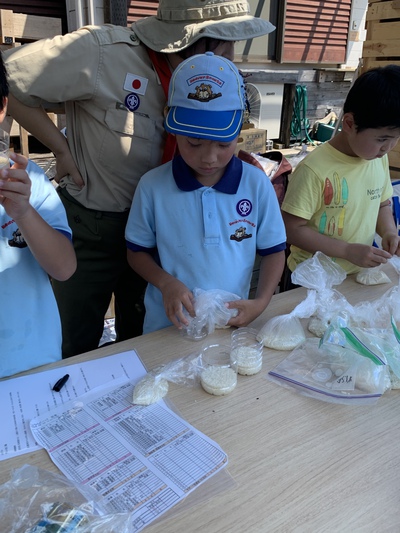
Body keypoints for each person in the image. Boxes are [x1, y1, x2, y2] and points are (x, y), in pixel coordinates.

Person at [3, 0, 275, 357]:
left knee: (142, 342)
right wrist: (60, 147)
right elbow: (9, 77)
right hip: (95, 228)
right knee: (75, 340)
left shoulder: (209, 80)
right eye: (228, 42)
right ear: (204, 40)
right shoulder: (103, 53)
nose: (231, 54)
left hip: (165, 233)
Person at [125, 52, 287, 333]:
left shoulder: (255, 184)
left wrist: (260, 302)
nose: (209, 157)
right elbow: (136, 251)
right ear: (173, 129)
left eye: (222, 144)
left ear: (239, 129)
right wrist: (165, 283)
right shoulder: (152, 186)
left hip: (230, 324)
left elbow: (274, 250)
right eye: (193, 143)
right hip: (168, 329)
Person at [281, 64, 400, 279]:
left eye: (395, 139)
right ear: (348, 123)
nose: (388, 148)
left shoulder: (376, 158)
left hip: (356, 275)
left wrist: (389, 232)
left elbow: (382, 203)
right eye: (382, 139)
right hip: (312, 279)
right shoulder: (314, 170)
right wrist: (346, 250)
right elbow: (291, 228)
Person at [0, 54, 76, 378]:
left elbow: (64, 268)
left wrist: (24, 212)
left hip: (35, 362)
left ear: (2, 107)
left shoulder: (28, 180)